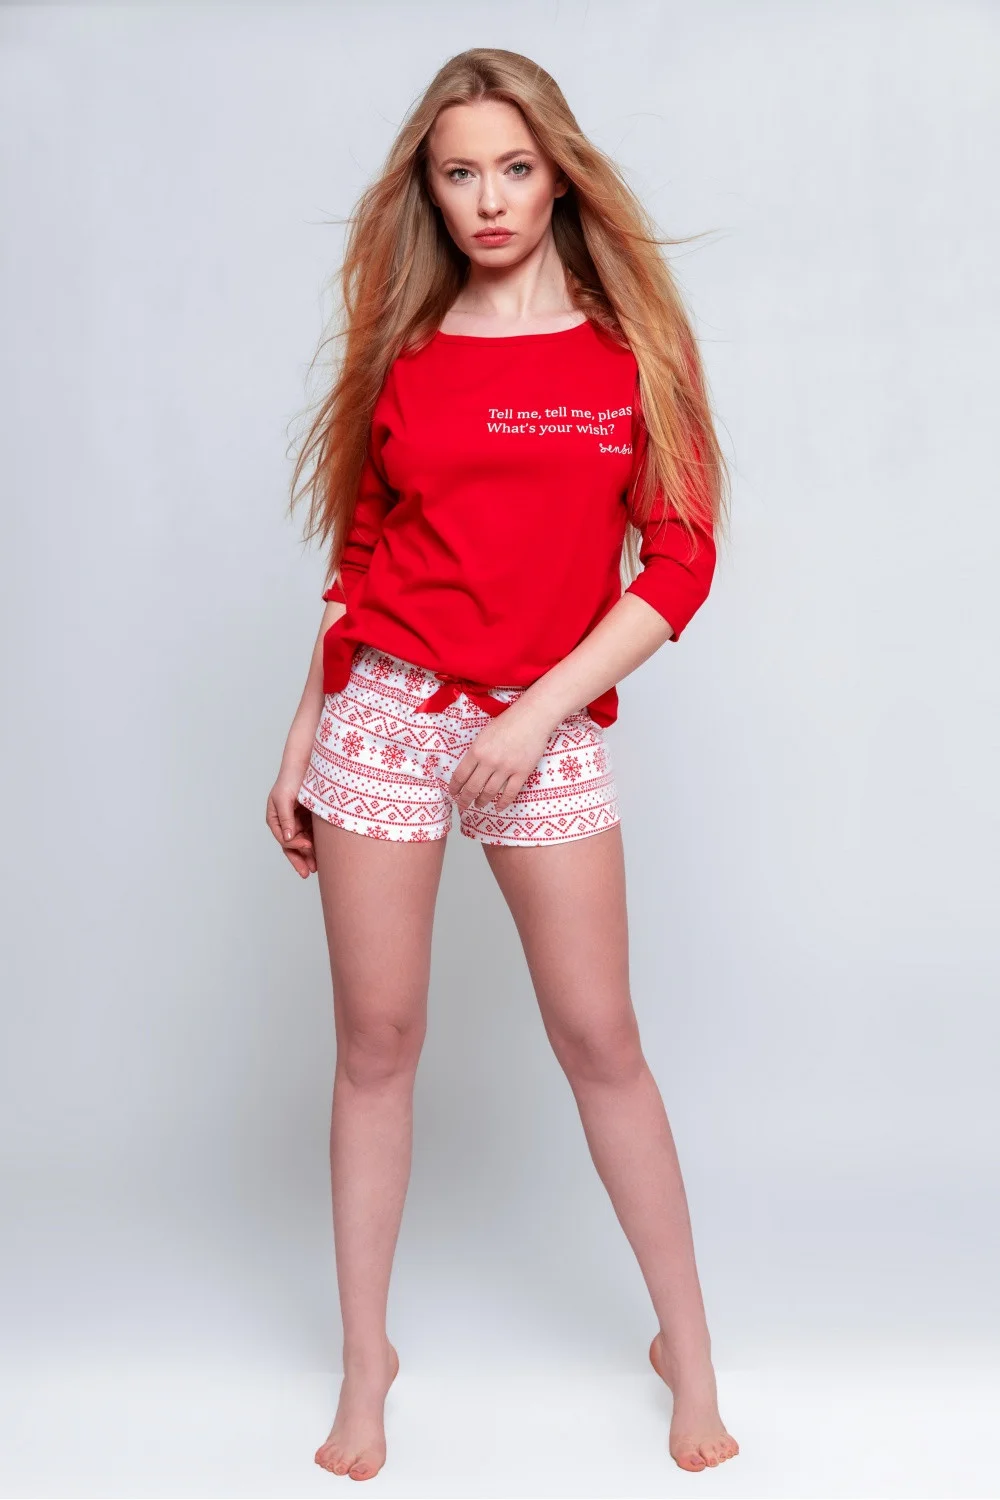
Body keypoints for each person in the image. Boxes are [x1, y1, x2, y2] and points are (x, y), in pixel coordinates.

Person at [267, 47, 738, 1482]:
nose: (488, 199)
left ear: (559, 179)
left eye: (515, 169)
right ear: (429, 188)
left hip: (545, 723)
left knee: (601, 1040)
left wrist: (537, 714)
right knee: (377, 1045)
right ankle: (365, 1367)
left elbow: (682, 560)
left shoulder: (629, 351)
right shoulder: (402, 349)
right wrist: (304, 733)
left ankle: (690, 1357)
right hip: (388, 714)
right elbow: (363, 559)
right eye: (460, 171)